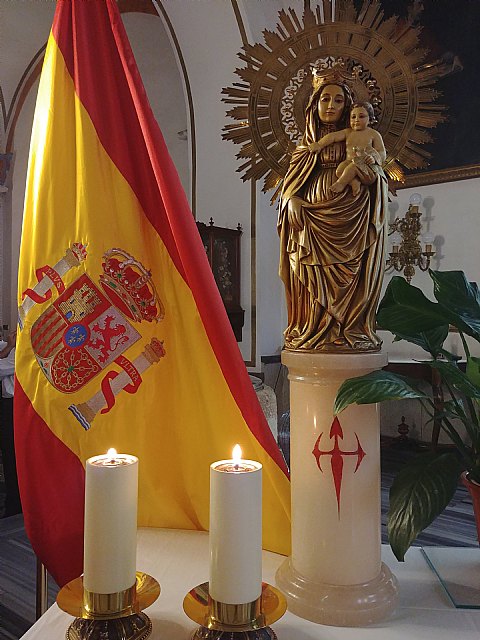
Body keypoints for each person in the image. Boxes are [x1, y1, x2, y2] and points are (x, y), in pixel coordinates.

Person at [278, 69, 388, 352]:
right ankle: (312, 327)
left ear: (348, 106)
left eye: (338, 100)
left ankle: (350, 326)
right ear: (313, 104)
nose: (330, 106)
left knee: (354, 272)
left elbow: (378, 175)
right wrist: (291, 200)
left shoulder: (362, 139)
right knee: (310, 273)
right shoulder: (305, 147)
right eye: (324, 99)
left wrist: (368, 173)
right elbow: (290, 186)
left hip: (354, 217)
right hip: (312, 218)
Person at [308, 101, 386, 196]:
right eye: (353, 117)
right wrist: (319, 144)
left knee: (354, 166)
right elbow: (332, 137)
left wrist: (373, 158)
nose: (356, 120)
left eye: (361, 116)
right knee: (340, 169)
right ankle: (354, 182)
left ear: (370, 119)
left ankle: (341, 183)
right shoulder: (348, 132)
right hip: (349, 163)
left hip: (367, 170)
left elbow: (382, 152)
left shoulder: (373, 134)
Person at [0, 331, 21, 517]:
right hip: (9, 405)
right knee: (9, 455)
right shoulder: (11, 348)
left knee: (12, 455)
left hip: (15, 407)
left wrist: (9, 347)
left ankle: (15, 503)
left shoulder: (19, 350)